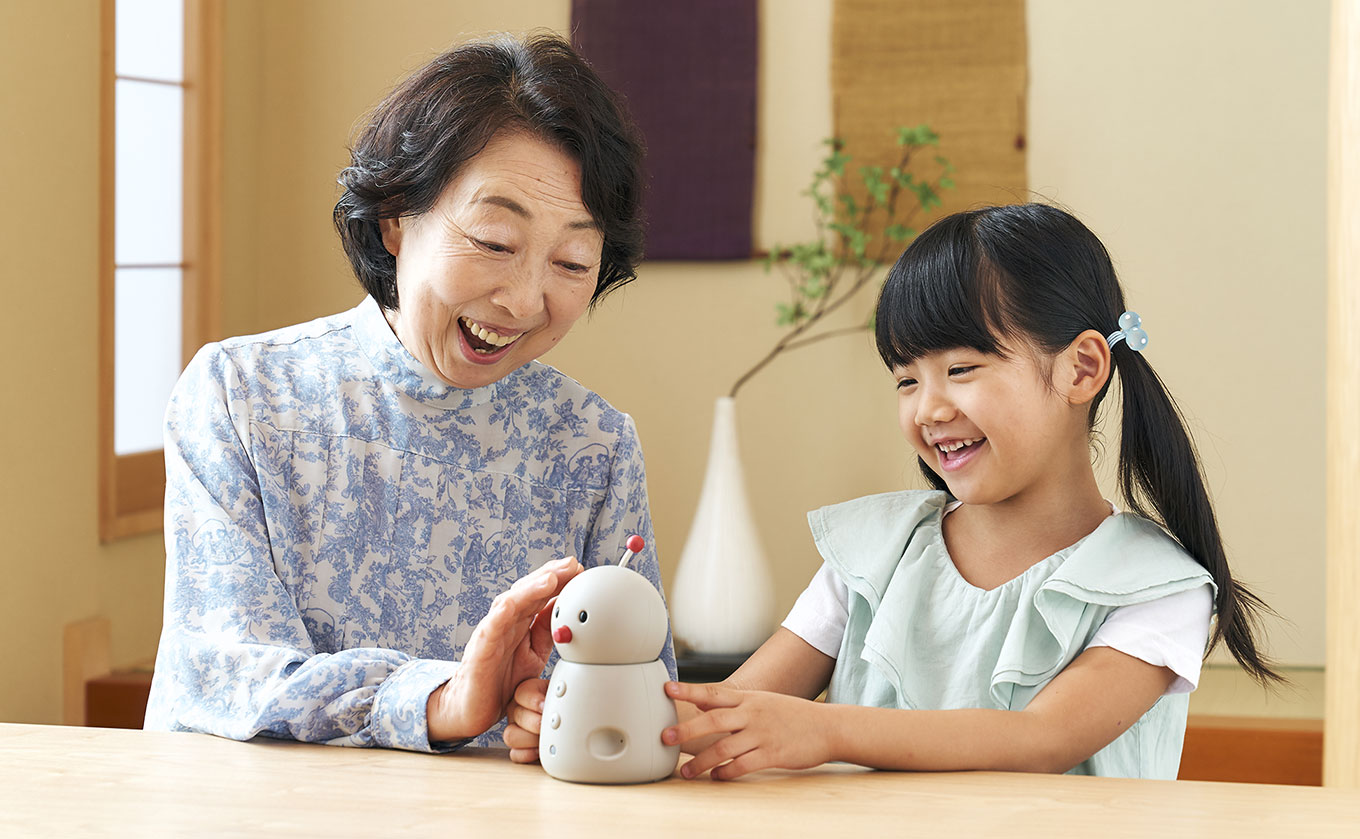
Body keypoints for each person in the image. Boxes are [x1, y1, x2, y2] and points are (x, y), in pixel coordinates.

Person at [144, 33, 675, 753]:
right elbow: (226, 672)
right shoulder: (242, 396)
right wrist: (440, 699)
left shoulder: (592, 443)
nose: (522, 300)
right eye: (494, 241)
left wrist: (566, 713)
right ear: (397, 217)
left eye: (573, 261)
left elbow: (637, 691)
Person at [646, 203, 1277, 779]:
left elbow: (1044, 738)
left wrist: (827, 729)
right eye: (905, 380)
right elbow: (725, 714)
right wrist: (579, 710)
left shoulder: (1156, 586)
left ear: (1082, 368)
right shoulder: (872, 555)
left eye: (960, 370)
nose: (927, 408)